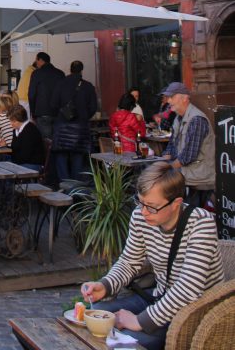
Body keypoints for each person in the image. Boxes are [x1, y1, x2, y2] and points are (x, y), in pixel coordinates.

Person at [81, 162, 224, 350]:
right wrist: (105, 285)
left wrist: (139, 321)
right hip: (160, 297)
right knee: (91, 316)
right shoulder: (141, 217)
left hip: (196, 310)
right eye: (140, 202)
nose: (144, 212)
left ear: (176, 203)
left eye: (152, 206)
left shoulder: (201, 224)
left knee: (125, 341)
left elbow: (189, 289)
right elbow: (129, 262)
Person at [161, 82, 215, 193]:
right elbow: (172, 144)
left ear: (184, 98)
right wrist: (163, 158)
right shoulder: (177, 118)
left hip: (199, 181)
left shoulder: (196, 119)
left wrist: (166, 168)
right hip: (186, 177)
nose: (168, 101)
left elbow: (188, 156)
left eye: (171, 97)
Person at [52, 60, 97, 182]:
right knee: (78, 156)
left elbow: (54, 104)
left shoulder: (60, 84)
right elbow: (93, 107)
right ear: (82, 70)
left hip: (63, 126)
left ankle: (64, 183)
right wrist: (84, 116)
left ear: (70, 69)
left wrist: (62, 114)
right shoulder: (88, 86)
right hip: (80, 128)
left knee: (61, 156)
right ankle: (75, 186)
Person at [28, 52, 65, 140]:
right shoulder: (60, 74)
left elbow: (31, 94)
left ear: (40, 60)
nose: (36, 62)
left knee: (46, 142)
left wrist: (33, 112)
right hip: (58, 112)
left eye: (36, 60)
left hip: (42, 112)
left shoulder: (36, 73)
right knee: (57, 141)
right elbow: (64, 94)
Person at [9, 105, 45, 169]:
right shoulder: (17, 130)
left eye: (13, 121)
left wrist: (11, 162)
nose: (11, 123)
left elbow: (25, 156)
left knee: (7, 168)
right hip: (22, 161)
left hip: (33, 163)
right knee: (0, 159)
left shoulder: (30, 131)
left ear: (20, 120)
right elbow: (14, 148)